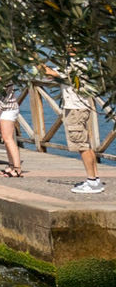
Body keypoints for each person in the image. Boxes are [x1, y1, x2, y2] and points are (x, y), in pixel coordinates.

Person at [48, 62, 105, 194]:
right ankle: (95, 179)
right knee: (86, 144)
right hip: (80, 107)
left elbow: (50, 73)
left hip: (75, 108)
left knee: (81, 145)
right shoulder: (80, 62)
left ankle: (91, 181)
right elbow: (54, 75)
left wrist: (34, 59)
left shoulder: (74, 65)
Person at [0, 75, 25, 178]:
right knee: (5, 138)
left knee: (8, 139)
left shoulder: (6, 77)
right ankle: (11, 165)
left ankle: (17, 168)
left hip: (8, 108)